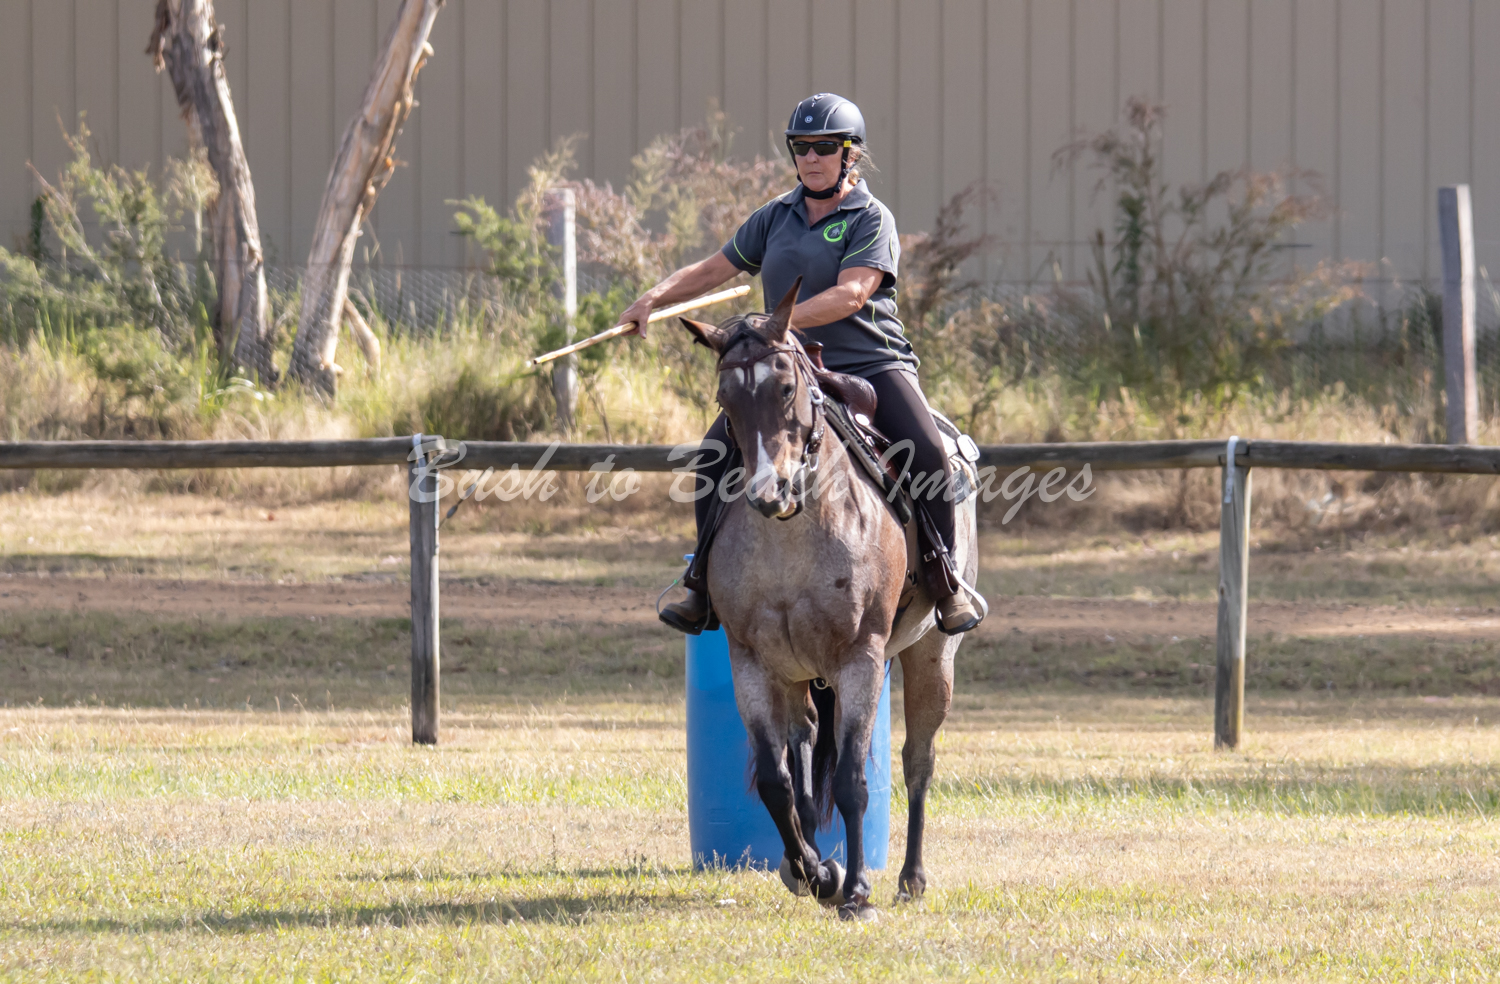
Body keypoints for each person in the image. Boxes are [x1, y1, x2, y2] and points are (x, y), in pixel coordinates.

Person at [619, 93, 982, 636]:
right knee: (714, 454)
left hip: (871, 362)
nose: (812, 157)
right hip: (790, 367)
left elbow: (852, 294)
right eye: (802, 147)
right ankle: (701, 584)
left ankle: (945, 578)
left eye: (825, 147)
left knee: (927, 449)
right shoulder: (774, 216)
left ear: (850, 154)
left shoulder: (871, 218)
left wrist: (775, 326)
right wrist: (653, 298)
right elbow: (715, 268)